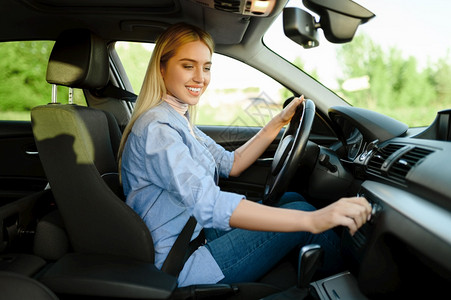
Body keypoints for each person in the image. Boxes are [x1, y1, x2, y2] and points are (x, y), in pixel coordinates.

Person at [118, 23, 371, 287]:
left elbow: (231, 163)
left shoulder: (178, 120)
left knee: (291, 198)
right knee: (302, 213)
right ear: (162, 68)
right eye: (187, 65)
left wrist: (278, 122)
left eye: (206, 67)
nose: (200, 78)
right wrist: (314, 220)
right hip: (180, 262)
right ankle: (356, 284)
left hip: (194, 233)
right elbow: (208, 203)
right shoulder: (158, 129)